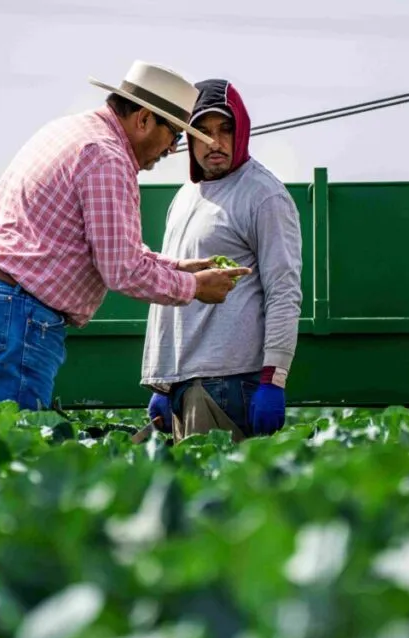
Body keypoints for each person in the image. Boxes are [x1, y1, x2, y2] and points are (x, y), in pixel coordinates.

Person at [0, 60, 250, 411]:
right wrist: (195, 287)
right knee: (8, 449)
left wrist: (180, 266)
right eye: (175, 134)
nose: (171, 149)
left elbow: (114, 250)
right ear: (144, 119)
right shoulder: (108, 157)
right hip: (15, 313)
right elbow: (122, 270)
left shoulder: (70, 130)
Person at [140, 78, 303, 442]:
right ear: (187, 137)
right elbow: (171, 295)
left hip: (230, 382)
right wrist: (164, 383)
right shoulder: (184, 197)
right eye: (202, 130)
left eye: (225, 129)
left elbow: (284, 292)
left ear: (241, 130)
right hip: (186, 383)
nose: (215, 141)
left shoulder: (263, 194)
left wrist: (273, 379)